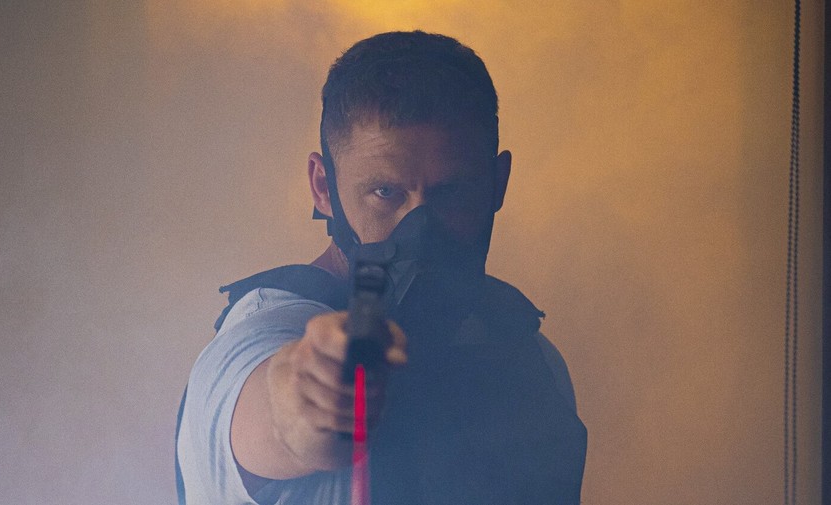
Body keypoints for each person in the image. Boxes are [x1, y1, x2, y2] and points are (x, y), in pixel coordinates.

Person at [175, 31, 587, 505]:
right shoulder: (258, 340)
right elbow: (279, 414)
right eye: (385, 192)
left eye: (451, 192)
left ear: (497, 184)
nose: (422, 227)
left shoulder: (526, 352)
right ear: (323, 187)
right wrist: (309, 391)